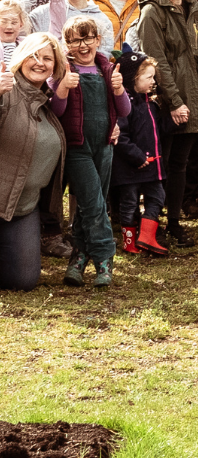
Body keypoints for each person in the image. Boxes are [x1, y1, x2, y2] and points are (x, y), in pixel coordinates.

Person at [136, 0, 198, 248]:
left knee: (181, 162)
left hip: (192, 93)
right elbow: (157, 62)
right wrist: (175, 102)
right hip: (167, 100)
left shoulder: (193, 7)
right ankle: (153, 223)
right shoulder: (152, 11)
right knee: (163, 163)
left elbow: (189, 56)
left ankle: (175, 223)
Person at [51, 17, 131, 288]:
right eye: (75, 40)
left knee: (90, 204)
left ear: (98, 40)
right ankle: (104, 257)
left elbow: (125, 111)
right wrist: (62, 88)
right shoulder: (63, 70)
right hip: (77, 147)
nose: (83, 45)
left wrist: (119, 89)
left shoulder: (108, 70)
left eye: (88, 39)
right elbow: (56, 112)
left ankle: (79, 255)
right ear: (67, 44)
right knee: (94, 203)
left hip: (105, 146)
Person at [0, 33, 67, 290]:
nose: (40, 62)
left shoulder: (48, 102)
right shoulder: (6, 90)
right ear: (20, 58)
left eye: (47, 58)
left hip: (23, 208)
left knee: (23, 280)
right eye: (33, 56)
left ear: (55, 65)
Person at [112, 49, 170, 258]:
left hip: (152, 164)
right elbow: (121, 137)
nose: (153, 81)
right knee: (129, 203)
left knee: (157, 196)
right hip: (131, 166)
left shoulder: (151, 103)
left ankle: (147, 236)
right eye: (149, 78)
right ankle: (129, 241)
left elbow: (161, 130)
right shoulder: (126, 107)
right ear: (133, 79)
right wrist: (137, 157)